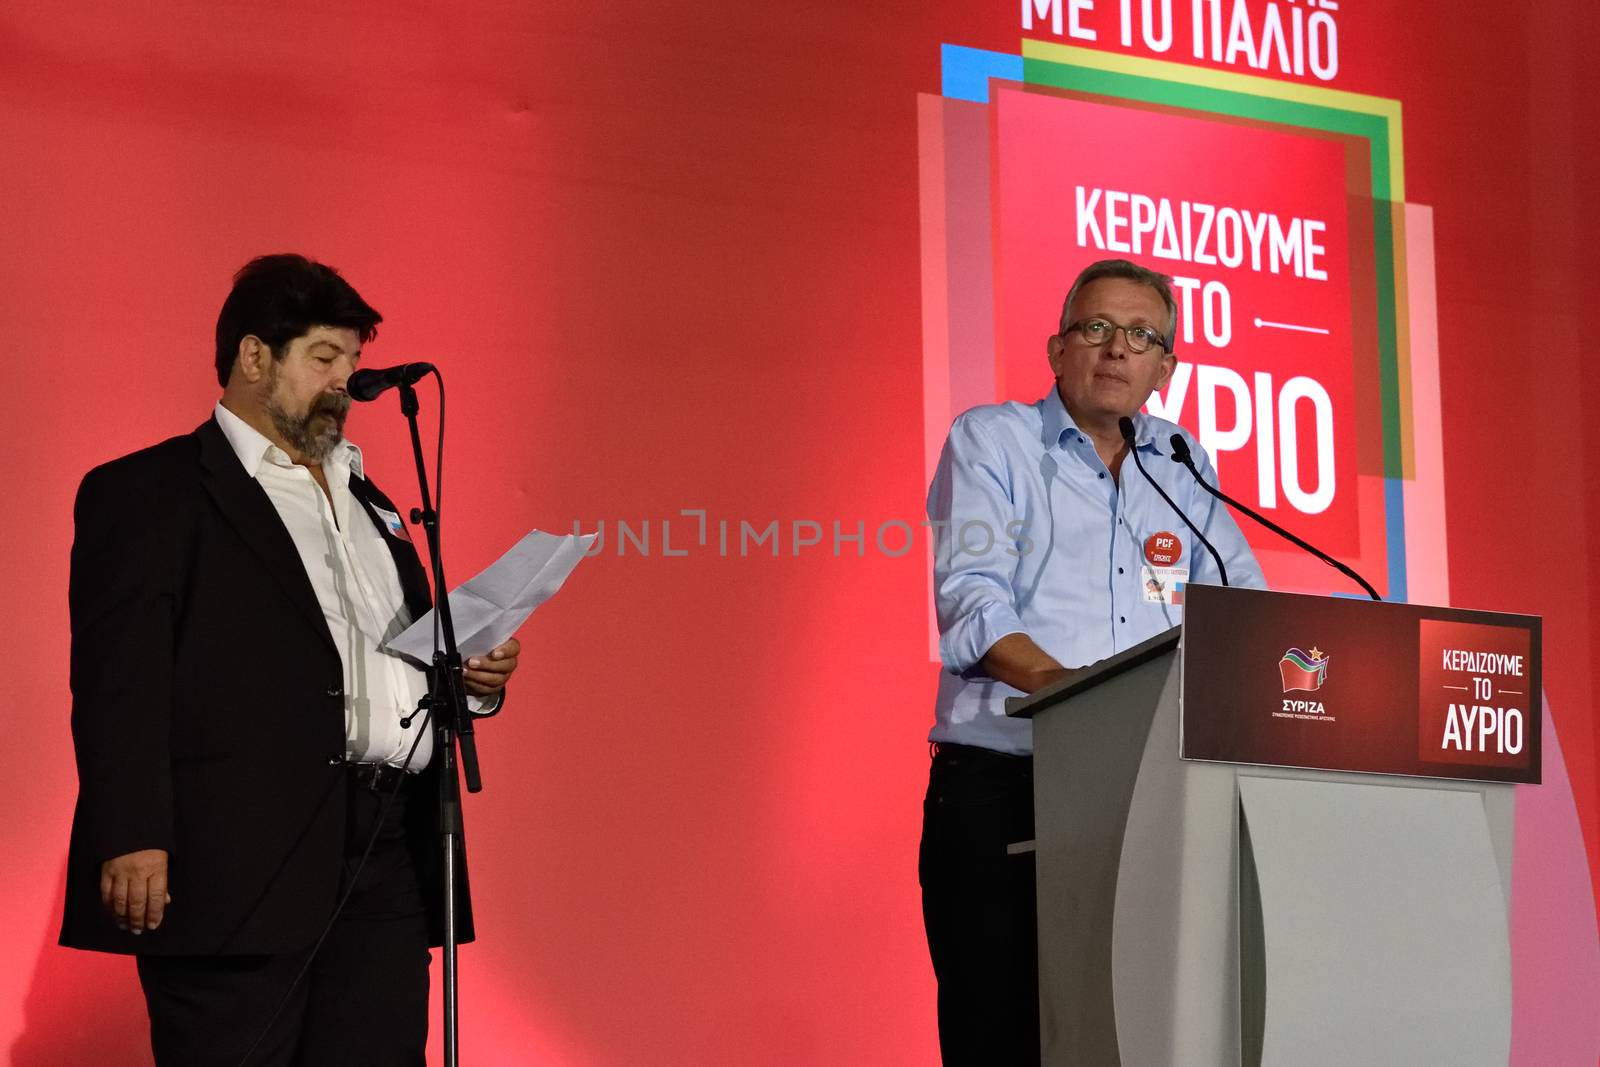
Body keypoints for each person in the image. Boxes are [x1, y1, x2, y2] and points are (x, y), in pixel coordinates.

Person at [60, 253, 522, 1065]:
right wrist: (131, 833)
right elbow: (117, 682)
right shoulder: (150, 491)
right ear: (253, 357)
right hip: (236, 857)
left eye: (352, 360)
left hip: (386, 848)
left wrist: (469, 675)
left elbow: (390, 653)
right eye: (325, 358)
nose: (347, 381)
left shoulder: (370, 499)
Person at [918, 258, 1264, 1063]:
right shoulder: (993, 439)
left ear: (1165, 367)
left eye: (1141, 335)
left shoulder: (1179, 461)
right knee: (1000, 1037)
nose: (1116, 349)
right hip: (1008, 791)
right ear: (1057, 348)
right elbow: (972, 600)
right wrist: (1071, 696)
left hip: (1149, 802)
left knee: (1128, 1039)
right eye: (1096, 328)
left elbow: (1242, 608)